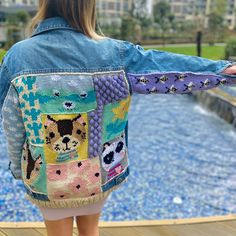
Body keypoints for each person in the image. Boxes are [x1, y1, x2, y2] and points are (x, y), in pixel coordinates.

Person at [0, 0, 236, 236]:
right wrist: (220, 71)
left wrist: (19, 169)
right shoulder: (115, 53)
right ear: (88, 7)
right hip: (99, 173)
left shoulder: (18, 56)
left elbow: (11, 123)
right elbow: (164, 69)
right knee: (90, 232)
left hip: (46, 180)